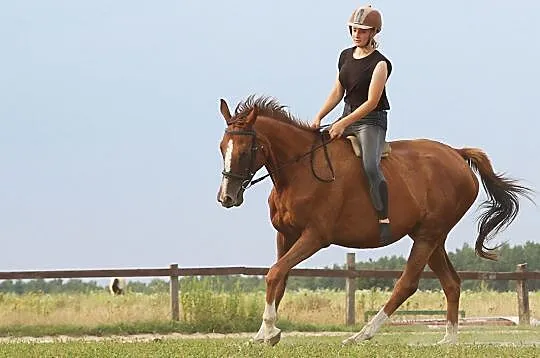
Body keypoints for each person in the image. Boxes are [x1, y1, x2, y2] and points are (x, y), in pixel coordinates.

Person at [311, 5, 393, 245]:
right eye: (354, 30)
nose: (357, 34)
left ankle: (383, 219)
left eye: (363, 31)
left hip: (371, 122)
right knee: (316, 147)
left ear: (374, 33)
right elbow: (338, 91)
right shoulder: (345, 55)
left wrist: (342, 124)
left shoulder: (380, 64)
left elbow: (371, 102)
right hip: (347, 115)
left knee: (370, 166)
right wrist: (319, 116)